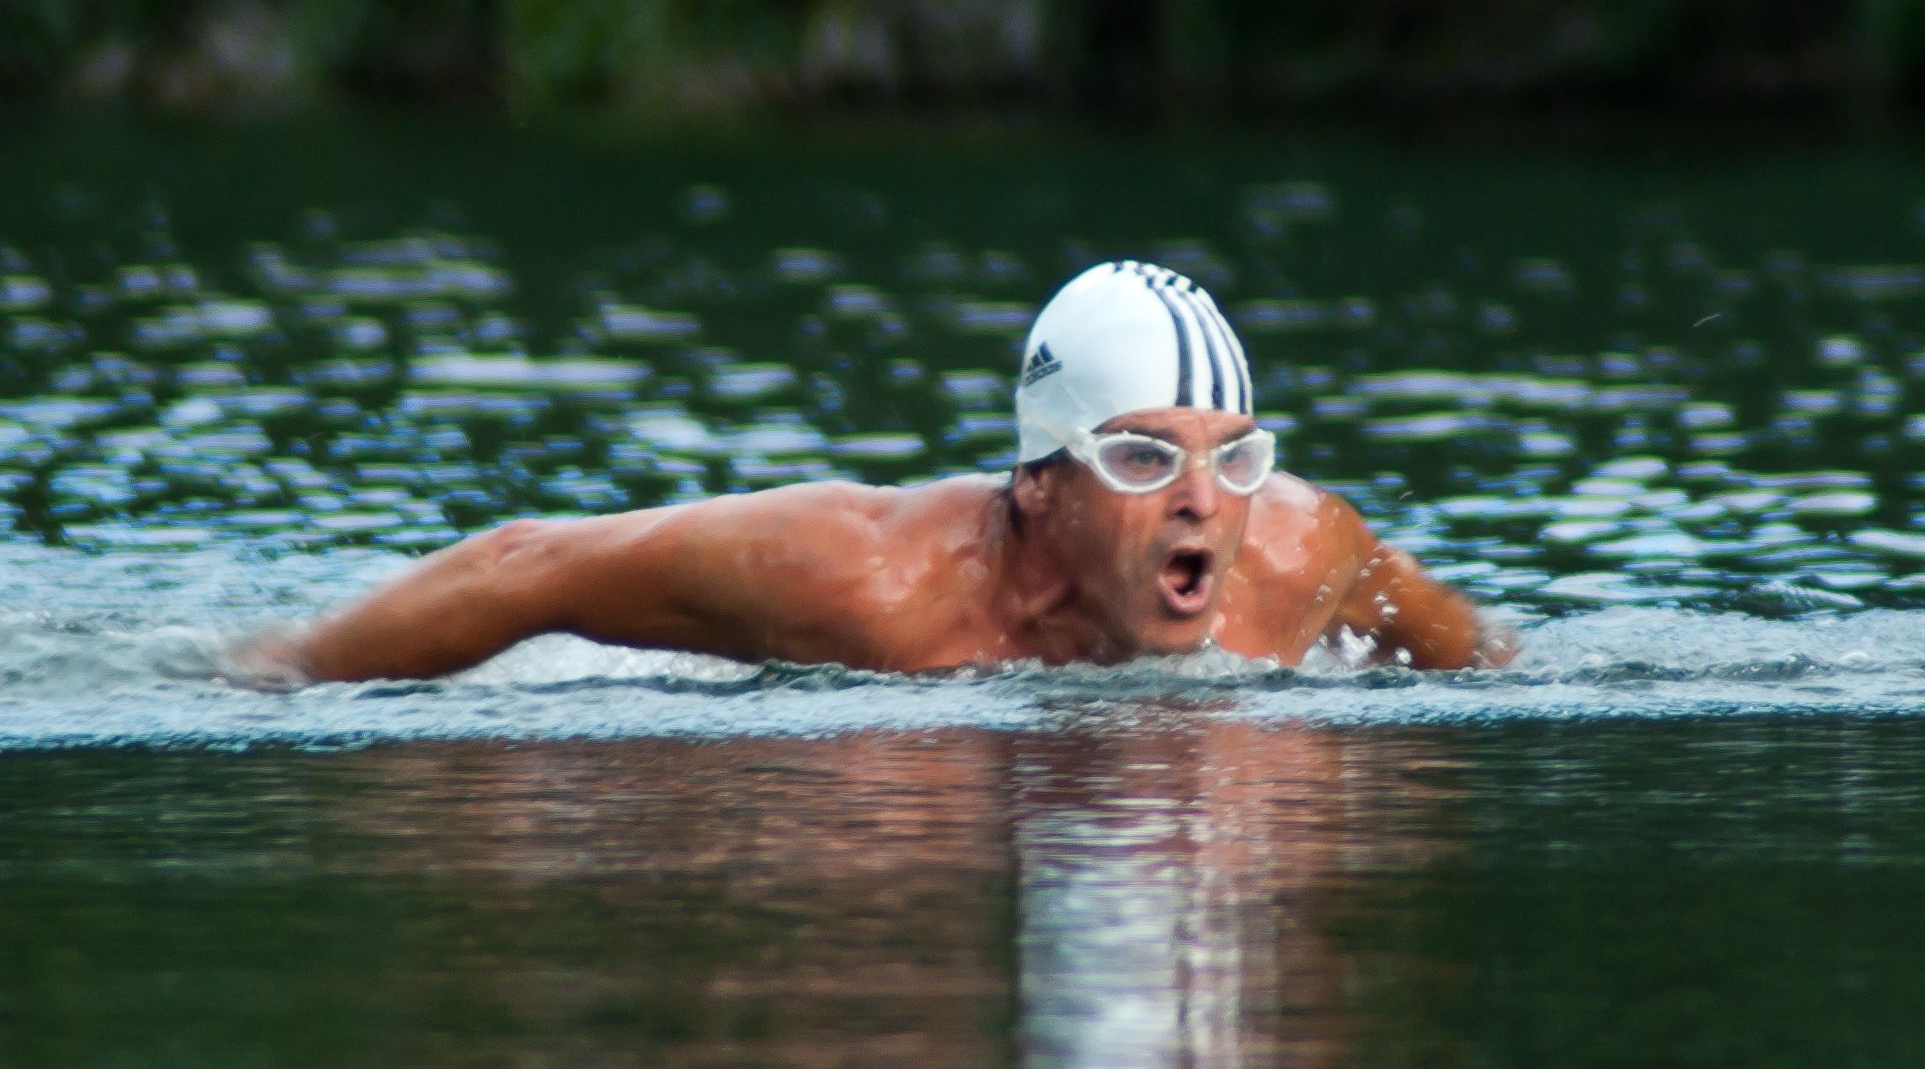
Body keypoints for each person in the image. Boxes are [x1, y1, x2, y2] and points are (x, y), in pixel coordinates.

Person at [242, 260, 1508, 681]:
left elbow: (1466, 656)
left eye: (1233, 457)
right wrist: (286, 675)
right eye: (1139, 454)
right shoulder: (874, 587)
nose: (1200, 500)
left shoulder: (1296, 551)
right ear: (1040, 480)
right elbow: (528, 565)